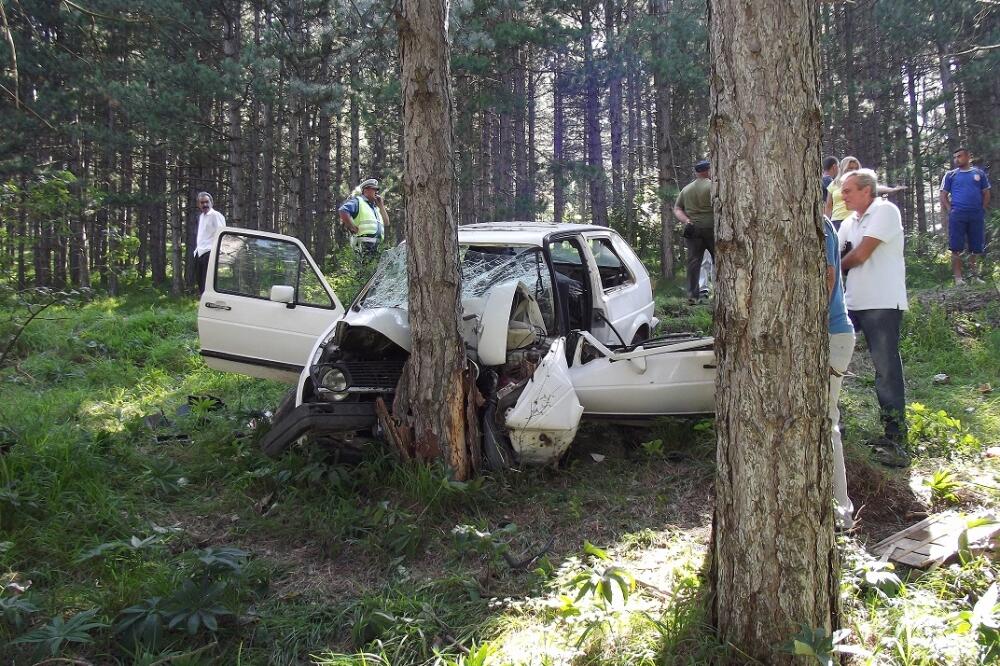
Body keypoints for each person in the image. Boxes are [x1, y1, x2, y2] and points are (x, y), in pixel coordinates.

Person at [838, 169, 909, 467]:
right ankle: (836, 427)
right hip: (852, 302)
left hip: (882, 302)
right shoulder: (849, 221)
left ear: (867, 190)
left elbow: (860, 254)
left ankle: (896, 437)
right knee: (832, 363)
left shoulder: (885, 211)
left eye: (849, 190)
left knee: (886, 369)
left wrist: (837, 265)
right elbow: (836, 253)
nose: (843, 195)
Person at [825, 216, 855, 529]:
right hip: (832, 335)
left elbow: (828, 276)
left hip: (832, 335)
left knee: (826, 421)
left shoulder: (819, 227)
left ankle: (841, 512)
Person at [940, 147, 991, 286]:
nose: (957, 159)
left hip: (976, 214)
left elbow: (986, 193)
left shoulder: (979, 174)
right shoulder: (951, 175)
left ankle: (975, 277)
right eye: (955, 157)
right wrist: (951, 210)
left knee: (975, 246)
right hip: (958, 215)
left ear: (968, 157)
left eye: (960, 156)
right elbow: (943, 195)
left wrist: (982, 209)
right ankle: (958, 278)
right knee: (956, 246)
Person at [825, 156, 905, 230]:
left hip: (855, 220)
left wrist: (892, 190)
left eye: (856, 168)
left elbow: (877, 188)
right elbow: (828, 206)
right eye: (850, 168)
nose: (853, 170)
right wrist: (826, 224)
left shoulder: (861, 184)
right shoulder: (833, 184)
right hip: (836, 221)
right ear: (843, 168)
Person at [673, 159, 714, 304]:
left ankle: (692, 295)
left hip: (693, 229)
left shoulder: (687, 189)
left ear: (697, 173)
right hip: (712, 228)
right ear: (708, 170)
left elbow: (677, 209)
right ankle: (721, 293)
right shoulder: (713, 186)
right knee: (719, 261)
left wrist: (686, 220)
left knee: (693, 262)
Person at [339, 178, 389, 260]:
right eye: (374, 189)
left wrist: (381, 206)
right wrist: (352, 227)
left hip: (377, 246)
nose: (377, 192)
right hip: (364, 244)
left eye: (377, 189)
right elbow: (343, 210)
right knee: (365, 270)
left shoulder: (375, 208)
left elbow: (386, 222)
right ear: (366, 190)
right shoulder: (358, 201)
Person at [194, 192, 226, 295]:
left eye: (207, 202)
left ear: (211, 202)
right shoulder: (202, 217)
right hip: (200, 253)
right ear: (198, 204)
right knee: (200, 284)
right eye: (202, 203)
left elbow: (222, 233)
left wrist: (217, 253)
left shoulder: (215, 215)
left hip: (210, 253)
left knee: (207, 284)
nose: (205, 205)